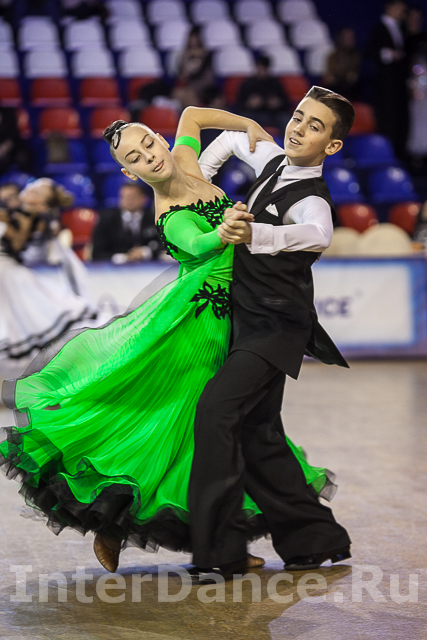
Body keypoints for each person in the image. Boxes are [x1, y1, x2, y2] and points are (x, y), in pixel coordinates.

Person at [0, 107, 336, 575]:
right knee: (182, 431)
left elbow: (193, 115)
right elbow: (200, 245)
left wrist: (246, 126)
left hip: (239, 318)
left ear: (161, 139)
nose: (148, 157)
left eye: (148, 144)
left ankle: (222, 539)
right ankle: (122, 520)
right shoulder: (170, 213)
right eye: (134, 158)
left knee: (217, 435)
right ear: (128, 173)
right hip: (198, 330)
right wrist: (223, 231)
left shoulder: (186, 158)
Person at [188, 86, 354, 581]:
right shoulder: (274, 159)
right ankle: (313, 540)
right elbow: (229, 141)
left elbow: (319, 234)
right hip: (248, 319)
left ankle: (220, 549)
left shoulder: (313, 198)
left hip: (277, 326)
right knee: (258, 433)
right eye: (299, 116)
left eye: (314, 126)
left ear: (332, 145)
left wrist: (256, 233)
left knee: (216, 411)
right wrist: (201, 186)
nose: (299, 128)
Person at [0, 178, 96, 359]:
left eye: (36, 192)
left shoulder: (35, 219)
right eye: (31, 187)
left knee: (43, 315)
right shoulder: (13, 211)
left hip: (15, 271)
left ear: (43, 205)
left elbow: (18, 245)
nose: (29, 191)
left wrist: (7, 224)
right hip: (10, 273)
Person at [366, 0, 409, 159]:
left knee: (401, 123)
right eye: (399, 8)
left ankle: (400, 158)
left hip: (400, 85)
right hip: (385, 86)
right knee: (388, 122)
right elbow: (369, 52)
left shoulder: (403, 29)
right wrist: (389, 54)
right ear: (390, 7)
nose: (402, 12)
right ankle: (386, 158)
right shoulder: (377, 29)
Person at [92, 182, 163, 263]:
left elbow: (164, 245)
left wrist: (146, 252)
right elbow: (97, 252)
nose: (129, 201)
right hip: (113, 268)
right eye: (125, 197)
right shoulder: (106, 219)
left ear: (144, 199)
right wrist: (121, 258)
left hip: (148, 266)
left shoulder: (154, 218)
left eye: (132, 197)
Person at [236, 54, 290, 134]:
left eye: (264, 69)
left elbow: (286, 102)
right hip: (254, 114)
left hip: (273, 114)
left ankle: (288, 141)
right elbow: (239, 104)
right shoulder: (247, 83)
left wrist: (277, 103)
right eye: (260, 68)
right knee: (245, 118)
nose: (262, 71)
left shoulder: (275, 83)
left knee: (285, 118)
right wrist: (250, 104)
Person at [324, 28, 361, 100]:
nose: (349, 41)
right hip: (335, 89)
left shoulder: (356, 57)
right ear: (340, 39)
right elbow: (330, 77)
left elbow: (352, 77)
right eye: (346, 38)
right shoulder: (332, 56)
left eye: (351, 38)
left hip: (351, 91)